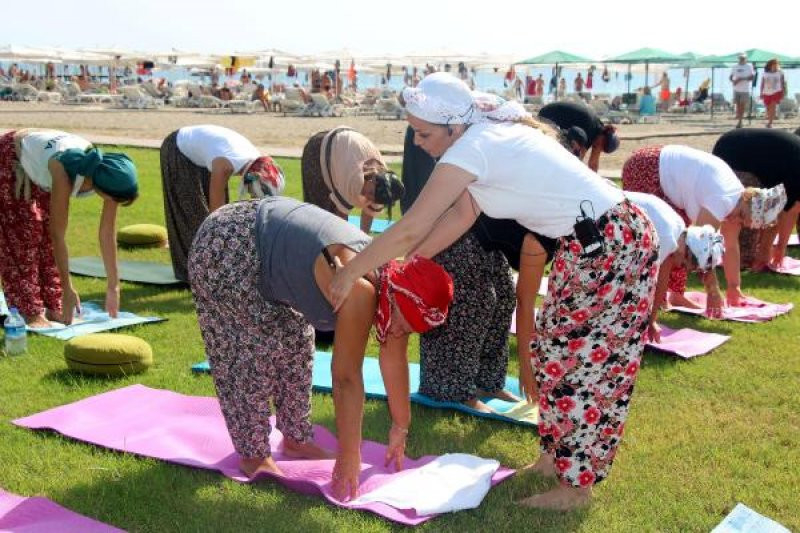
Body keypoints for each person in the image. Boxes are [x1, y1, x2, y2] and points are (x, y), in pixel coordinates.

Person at [329, 73, 659, 510]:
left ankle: (576, 488)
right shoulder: (482, 139)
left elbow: (409, 227)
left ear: (451, 126)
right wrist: (406, 264)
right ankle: (553, 459)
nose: (420, 143)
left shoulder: (475, 147)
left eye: (425, 134)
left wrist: (350, 273)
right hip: (591, 243)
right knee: (554, 356)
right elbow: (460, 216)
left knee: (587, 368)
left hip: (611, 244)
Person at [189, 196, 453, 500]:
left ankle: (296, 440)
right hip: (227, 244)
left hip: (262, 241)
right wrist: (348, 455)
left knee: (296, 343)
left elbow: (394, 358)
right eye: (406, 325)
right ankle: (253, 453)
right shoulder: (361, 290)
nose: (400, 333)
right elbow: (345, 378)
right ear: (400, 299)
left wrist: (400, 427)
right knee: (248, 352)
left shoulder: (395, 287)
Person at [0, 129, 138, 327]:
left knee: (45, 238)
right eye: (114, 199)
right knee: (23, 236)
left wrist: (113, 286)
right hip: (11, 155)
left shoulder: (109, 172)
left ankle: (53, 305)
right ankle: (28, 311)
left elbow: (107, 233)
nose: (113, 203)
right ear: (101, 188)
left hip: (40, 161)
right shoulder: (64, 171)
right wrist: (67, 287)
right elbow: (58, 235)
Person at [622, 144, 786, 311]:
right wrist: (713, 291)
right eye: (743, 217)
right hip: (647, 167)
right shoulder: (723, 199)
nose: (738, 222)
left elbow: (731, 247)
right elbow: (699, 248)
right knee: (668, 243)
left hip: (659, 165)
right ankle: (653, 298)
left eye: (744, 223)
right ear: (747, 202)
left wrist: (733, 287)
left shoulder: (737, 203)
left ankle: (674, 294)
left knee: (679, 241)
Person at [159, 125, 285, 282]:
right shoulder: (225, 166)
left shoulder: (255, 159)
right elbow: (215, 216)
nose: (251, 196)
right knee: (192, 216)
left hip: (205, 152)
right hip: (178, 148)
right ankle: (195, 274)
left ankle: (212, 267)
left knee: (221, 218)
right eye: (253, 193)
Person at [625, 191, 725, 342]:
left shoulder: (678, 229)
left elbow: (661, 283)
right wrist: (648, 321)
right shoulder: (666, 238)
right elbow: (650, 283)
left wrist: (652, 320)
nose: (680, 267)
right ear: (687, 252)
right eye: (685, 265)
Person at [712, 128, 800, 270]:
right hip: (734, 154)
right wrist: (771, 249)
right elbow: (785, 209)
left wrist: (777, 247)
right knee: (748, 223)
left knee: (765, 211)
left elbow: (788, 208)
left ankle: (754, 251)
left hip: (747, 151)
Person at [300, 128, 404, 234]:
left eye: (372, 199)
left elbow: (370, 212)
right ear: (373, 179)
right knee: (320, 214)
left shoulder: (385, 186)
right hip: (318, 149)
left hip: (343, 148)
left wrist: (363, 240)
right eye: (370, 193)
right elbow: (341, 216)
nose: (368, 198)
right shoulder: (354, 176)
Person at [538, 101, 620, 171]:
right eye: (602, 144)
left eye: (603, 148)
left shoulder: (597, 128)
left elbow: (593, 163)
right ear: (604, 134)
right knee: (568, 155)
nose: (599, 147)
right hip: (547, 117)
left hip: (549, 115)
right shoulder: (590, 128)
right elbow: (578, 161)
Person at [730, 54, 755, 128]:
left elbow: (752, 77)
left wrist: (741, 79)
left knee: (742, 105)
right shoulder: (735, 66)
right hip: (736, 89)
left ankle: (740, 121)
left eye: (743, 58)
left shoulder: (749, 66)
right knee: (737, 105)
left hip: (745, 89)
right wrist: (733, 81)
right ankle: (739, 120)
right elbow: (731, 76)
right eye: (740, 58)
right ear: (738, 58)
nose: (742, 59)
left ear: (746, 59)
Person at [760, 59, 786, 129]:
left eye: (776, 64)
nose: (775, 66)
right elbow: (762, 83)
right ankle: (769, 119)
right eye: (774, 64)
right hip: (766, 92)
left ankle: (770, 123)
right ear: (770, 65)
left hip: (776, 92)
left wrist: (783, 92)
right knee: (768, 108)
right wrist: (761, 93)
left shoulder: (780, 72)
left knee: (773, 107)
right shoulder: (765, 73)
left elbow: (782, 83)